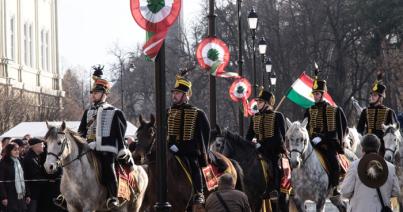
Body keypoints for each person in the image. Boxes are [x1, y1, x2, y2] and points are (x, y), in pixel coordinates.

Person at [167, 73, 210, 204]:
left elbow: (204, 133)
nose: (174, 95)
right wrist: (170, 144)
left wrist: (198, 150)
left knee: (194, 165)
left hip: (189, 151)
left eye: (178, 93)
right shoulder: (168, 111)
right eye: (174, 93)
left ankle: (199, 192)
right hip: (170, 149)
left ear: (186, 95)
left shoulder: (197, 113)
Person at [304, 75, 348, 196]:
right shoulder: (309, 110)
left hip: (327, 143)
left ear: (323, 94)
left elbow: (333, 132)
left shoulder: (331, 109)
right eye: (314, 93)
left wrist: (322, 138)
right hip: (311, 142)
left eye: (317, 94)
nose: (315, 96)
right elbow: (305, 128)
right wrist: (310, 138)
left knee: (334, 161)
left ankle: (335, 186)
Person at [246, 87, 287, 200]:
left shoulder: (277, 116)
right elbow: (249, 136)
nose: (257, 103)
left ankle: (275, 189)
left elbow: (280, 137)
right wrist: (249, 145)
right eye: (257, 101)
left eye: (260, 101)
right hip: (258, 150)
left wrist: (263, 145)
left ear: (267, 103)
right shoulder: (255, 117)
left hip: (273, 150)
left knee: (274, 165)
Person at [341, 134, 400, 211]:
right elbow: (396, 191)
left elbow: (345, 192)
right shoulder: (391, 167)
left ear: (362, 148)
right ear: (378, 148)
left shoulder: (354, 166)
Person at [357, 72, 400, 156]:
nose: (372, 97)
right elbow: (359, 130)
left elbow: (393, 133)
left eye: (375, 95)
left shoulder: (389, 112)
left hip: (383, 148)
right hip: (367, 146)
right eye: (372, 94)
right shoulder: (365, 111)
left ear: (380, 98)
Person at [0, 143, 31, 212]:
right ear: (9, 151)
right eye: (15, 150)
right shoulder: (3, 163)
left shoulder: (19, 161)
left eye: (18, 150)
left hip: (20, 195)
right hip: (10, 195)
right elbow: (1, 182)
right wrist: (4, 197)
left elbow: (23, 179)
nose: (17, 151)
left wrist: (27, 194)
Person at [22, 138, 45, 212]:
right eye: (42, 144)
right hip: (32, 194)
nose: (44, 146)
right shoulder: (29, 159)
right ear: (36, 146)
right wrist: (48, 181)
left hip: (36, 193)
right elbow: (34, 176)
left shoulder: (36, 156)